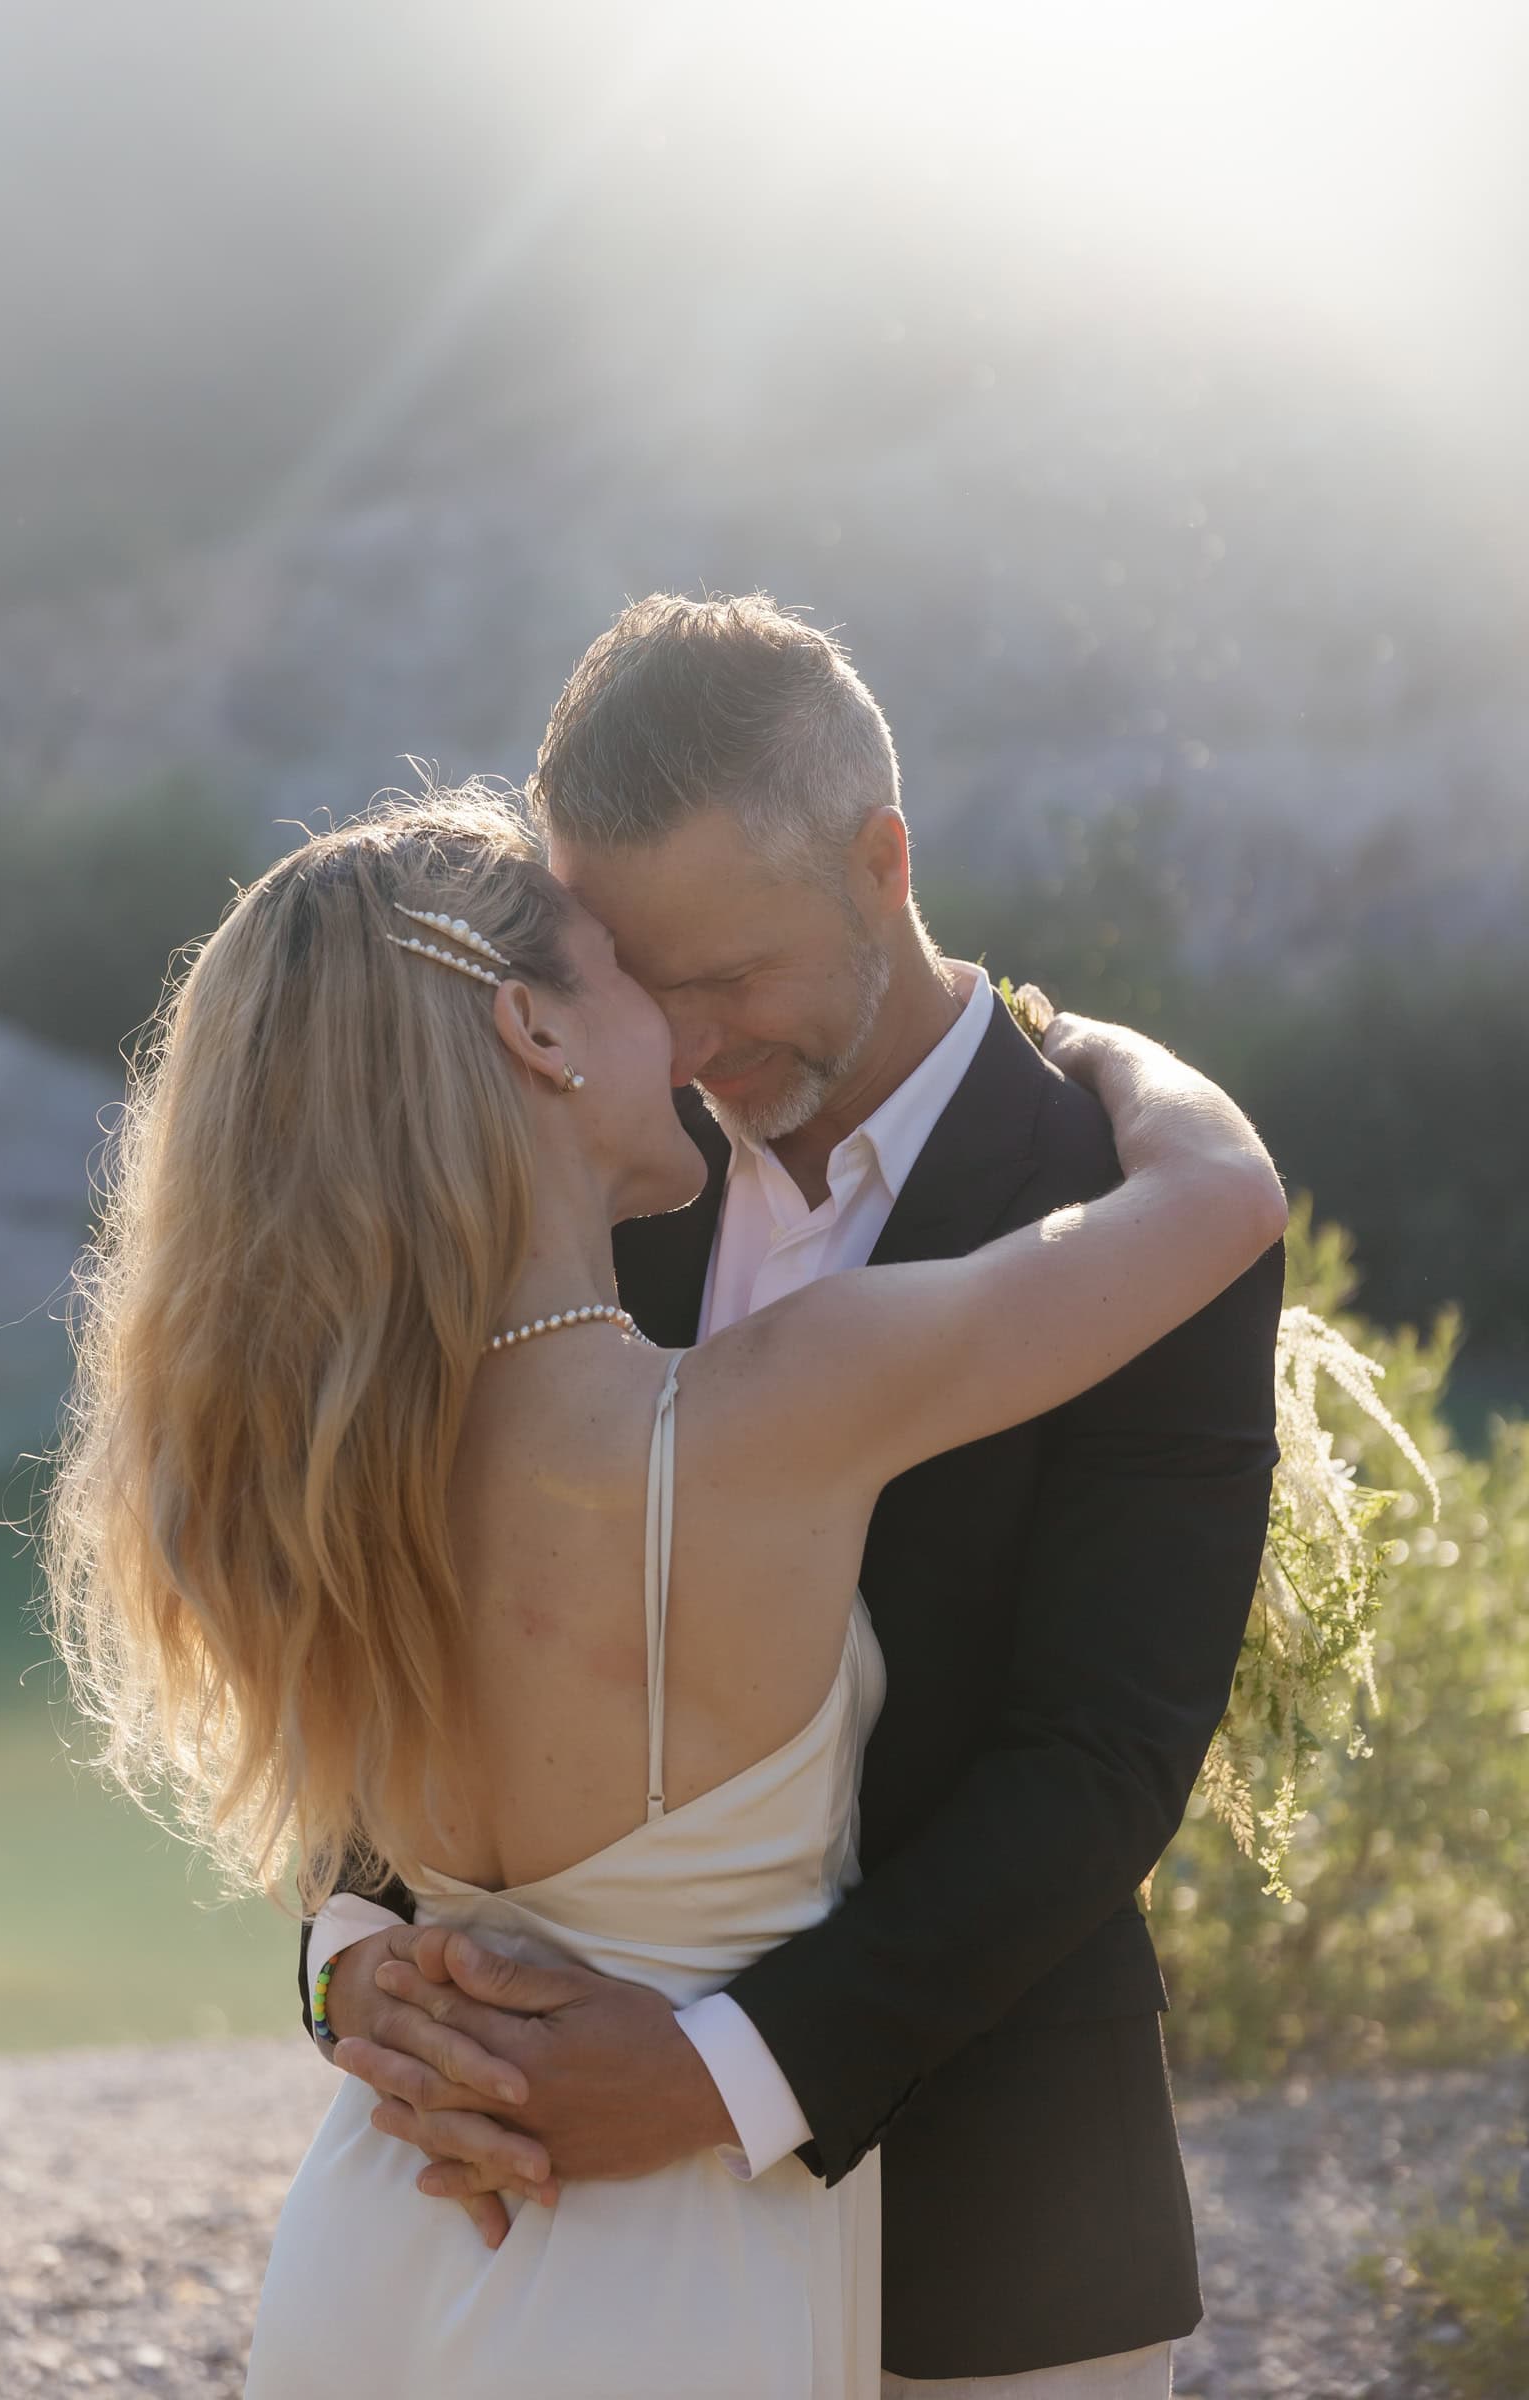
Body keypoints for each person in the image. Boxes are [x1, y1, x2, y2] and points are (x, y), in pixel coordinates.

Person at [298, 597, 1287, 2399]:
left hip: (996, 2237)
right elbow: (407, 1592)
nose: (680, 1041)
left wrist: (723, 2076)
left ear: (883, 863)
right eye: (637, 976)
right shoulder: (567, 1168)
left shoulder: (1113, 1201)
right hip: (554, 2241)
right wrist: (349, 1952)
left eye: (730, 975)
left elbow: (1102, 1757)